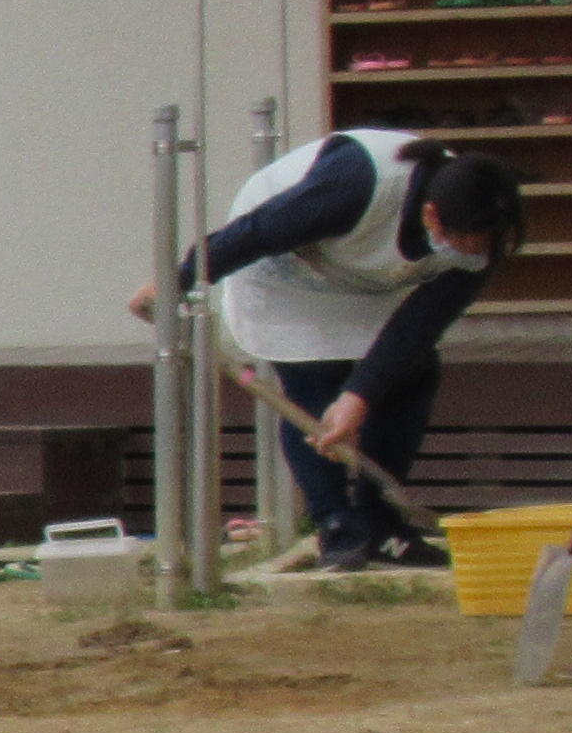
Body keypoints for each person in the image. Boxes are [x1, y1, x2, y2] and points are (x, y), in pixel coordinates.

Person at [129, 129, 520, 571]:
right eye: (467, 240)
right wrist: (178, 279)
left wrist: (359, 395)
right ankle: (336, 525)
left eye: (485, 241)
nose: (475, 251)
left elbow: (417, 328)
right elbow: (256, 232)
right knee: (312, 387)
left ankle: (383, 524)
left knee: (412, 374)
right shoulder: (355, 184)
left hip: (369, 278)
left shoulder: (479, 233)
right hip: (289, 265)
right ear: (432, 215)